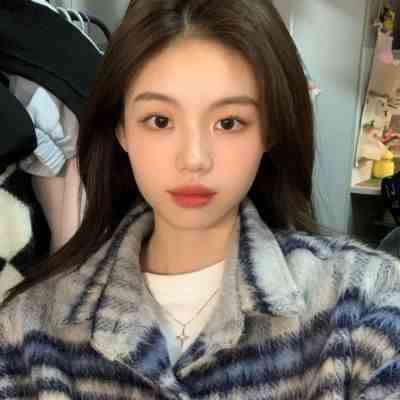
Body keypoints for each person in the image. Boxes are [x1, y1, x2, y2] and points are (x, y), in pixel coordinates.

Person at [1, 1, 400, 399]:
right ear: (121, 128)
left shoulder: (365, 300)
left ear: (269, 130)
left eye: (229, 123)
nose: (194, 159)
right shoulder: (28, 331)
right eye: (160, 121)